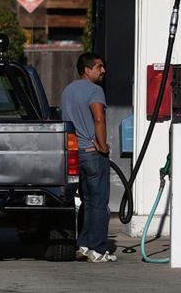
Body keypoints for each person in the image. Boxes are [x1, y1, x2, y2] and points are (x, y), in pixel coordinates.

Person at [61, 52, 117, 263]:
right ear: (87, 70)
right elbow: (99, 118)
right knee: (99, 203)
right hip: (93, 154)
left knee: (85, 201)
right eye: (99, 67)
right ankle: (98, 250)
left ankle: (83, 245)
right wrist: (103, 147)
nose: (103, 71)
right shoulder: (95, 90)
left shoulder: (67, 91)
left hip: (74, 154)